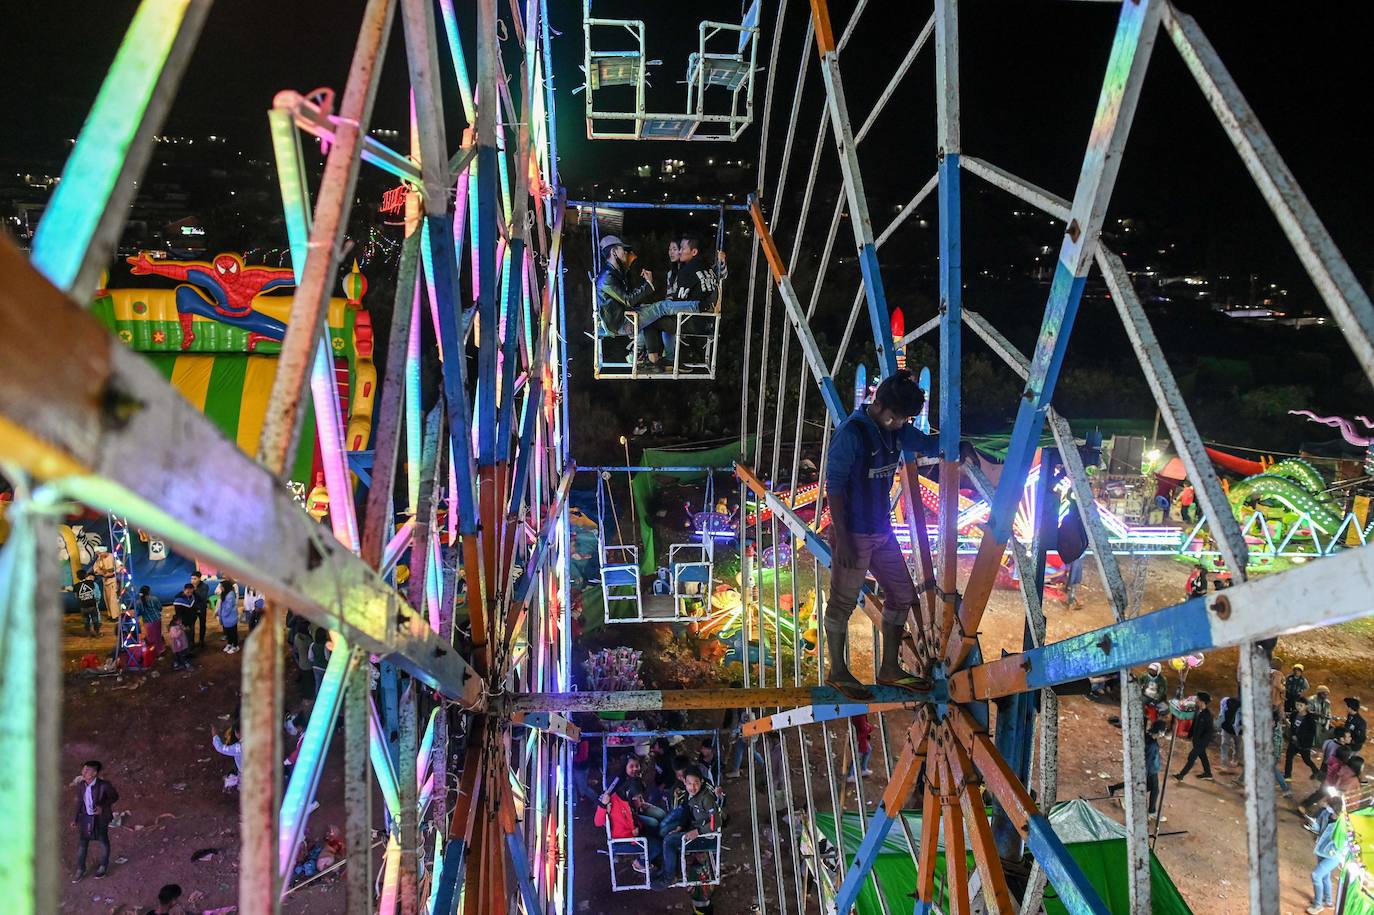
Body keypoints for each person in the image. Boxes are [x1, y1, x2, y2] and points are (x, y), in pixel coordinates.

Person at [823, 369, 938, 698]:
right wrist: (842, 537)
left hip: (881, 532)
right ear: (882, 407)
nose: (903, 423)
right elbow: (836, 487)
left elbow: (929, 443)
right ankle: (838, 672)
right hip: (855, 534)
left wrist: (961, 444)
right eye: (899, 417)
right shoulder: (852, 434)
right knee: (842, 604)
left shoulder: (897, 432)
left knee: (903, 596)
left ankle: (889, 668)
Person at [594, 235, 671, 371]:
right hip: (618, 322)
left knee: (650, 314)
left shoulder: (616, 273)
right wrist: (648, 285)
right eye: (623, 250)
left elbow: (628, 299)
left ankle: (640, 354)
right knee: (660, 309)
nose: (626, 253)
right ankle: (647, 356)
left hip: (621, 317)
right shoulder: (607, 277)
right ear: (613, 252)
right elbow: (628, 299)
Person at [658, 765, 723, 888]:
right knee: (667, 832)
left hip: (706, 837)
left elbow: (717, 822)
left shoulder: (706, 798)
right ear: (684, 782)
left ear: (701, 781)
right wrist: (679, 827)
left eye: (696, 783)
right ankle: (670, 869)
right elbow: (686, 811)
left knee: (669, 841)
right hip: (694, 828)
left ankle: (668, 878)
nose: (692, 787)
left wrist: (698, 832)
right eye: (689, 783)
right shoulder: (690, 794)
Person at [72, 760, 119, 881]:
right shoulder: (81, 785)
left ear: (94, 773)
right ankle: (80, 869)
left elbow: (114, 797)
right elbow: (80, 803)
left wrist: (102, 806)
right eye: (83, 769)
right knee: (82, 844)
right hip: (85, 818)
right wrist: (75, 819)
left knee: (103, 841)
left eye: (87, 770)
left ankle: (103, 867)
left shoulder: (104, 785)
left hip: (100, 818)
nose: (84, 772)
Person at [1306, 796, 1347, 914]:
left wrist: (1335, 849)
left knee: (1316, 875)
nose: (1326, 806)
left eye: (1328, 805)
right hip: (1321, 850)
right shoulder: (1325, 814)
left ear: (1335, 808)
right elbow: (1319, 828)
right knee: (1325, 876)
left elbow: (1342, 843)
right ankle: (1328, 901)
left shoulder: (1343, 824)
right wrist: (1313, 824)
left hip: (1333, 855)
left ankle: (1318, 904)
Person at [1174, 691, 1215, 780]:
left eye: (1197, 699)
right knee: (1202, 755)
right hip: (1196, 739)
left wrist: (1201, 743)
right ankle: (1208, 773)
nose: (1196, 700)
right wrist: (1189, 735)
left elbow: (1209, 732)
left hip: (1202, 741)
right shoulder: (1198, 710)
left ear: (1202, 701)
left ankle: (1181, 775)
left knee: (1192, 756)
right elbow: (1194, 724)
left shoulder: (1207, 715)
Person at [1288, 698, 1322, 779]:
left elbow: (1312, 732)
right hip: (1294, 742)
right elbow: (1292, 726)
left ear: (1306, 706)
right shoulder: (1294, 714)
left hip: (1304, 744)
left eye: (1301, 705)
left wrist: (1300, 738)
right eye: (1297, 705)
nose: (1298, 707)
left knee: (1307, 760)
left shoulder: (1310, 719)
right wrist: (1293, 735)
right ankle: (1287, 775)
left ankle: (1316, 771)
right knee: (1289, 757)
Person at [136, 585, 165, 665]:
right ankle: (161, 650)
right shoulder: (154, 599)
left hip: (148, 622)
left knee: (151, 639)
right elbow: (160, 608)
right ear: (149, 591)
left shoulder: (138, 602)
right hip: (157, 619)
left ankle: (155, 653)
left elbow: (137, 613)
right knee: (158, 635)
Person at [1218, 688, 1242, 769]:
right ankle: (1235, 761)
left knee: (1224, 746)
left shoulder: (1225, 701)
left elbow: (1221, 715)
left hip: (1226, 727)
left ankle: (1224, 764)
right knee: (1238, 745)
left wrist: (1217, 724)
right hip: (1238, 730)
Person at [846, 713, 874, 782]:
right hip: (859, 739)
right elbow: (863, 729)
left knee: (868, 750)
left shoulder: (858, 713)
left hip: (860, 738)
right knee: (857, 756)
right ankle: (850, 775)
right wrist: (871, 728)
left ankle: (863, 769)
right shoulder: (860, 714)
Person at [293, 619, 316, 699]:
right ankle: (310, 696)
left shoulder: (296, 638)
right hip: (309, 664)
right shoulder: (308, 641)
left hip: (301, 663)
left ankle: (304, 694)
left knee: (305, 680)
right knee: (310, 681)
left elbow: (295, 650)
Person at [77, 573, 102, 637]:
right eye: (90, 577)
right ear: (86, 577)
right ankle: (91, 632)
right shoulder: (91, 584)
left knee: (93, 619)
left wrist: (97, 600)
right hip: (88, 606)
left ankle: (94, 632)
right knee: (89, 620)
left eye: (92, 578)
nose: (91, 578)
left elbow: (97, 593)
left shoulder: (93, 584)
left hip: (90, 605)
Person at [217, 579, 239, 653]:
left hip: (230, 617)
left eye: (221, 586)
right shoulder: (224, 593)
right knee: (228, 632)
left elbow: (228, 608)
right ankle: (230, 643)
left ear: (225, 587)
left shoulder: (230, 595)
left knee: (233, 632)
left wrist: (222, 615)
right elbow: (222, 605)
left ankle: (235, 646)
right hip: (226, 618)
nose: (220, 588)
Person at [190, 572, 210, 647]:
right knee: (191, 625)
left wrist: (194, 590)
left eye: (194, 579)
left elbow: (203, 597)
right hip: (192, 609)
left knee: (202, 624)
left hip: (202, 608)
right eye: (191, 578)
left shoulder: (205, 586)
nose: (192, 581)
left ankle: (201, 640)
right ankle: (191, 642)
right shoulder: (190, 586)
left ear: (199, 578)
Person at [309, 627, 330, 693]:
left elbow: (310, 657)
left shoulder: (312, 645)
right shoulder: (325, 645)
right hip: (324, 668)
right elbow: (327, 658)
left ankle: (317, 697)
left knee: (318, 684)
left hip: (315, 667)